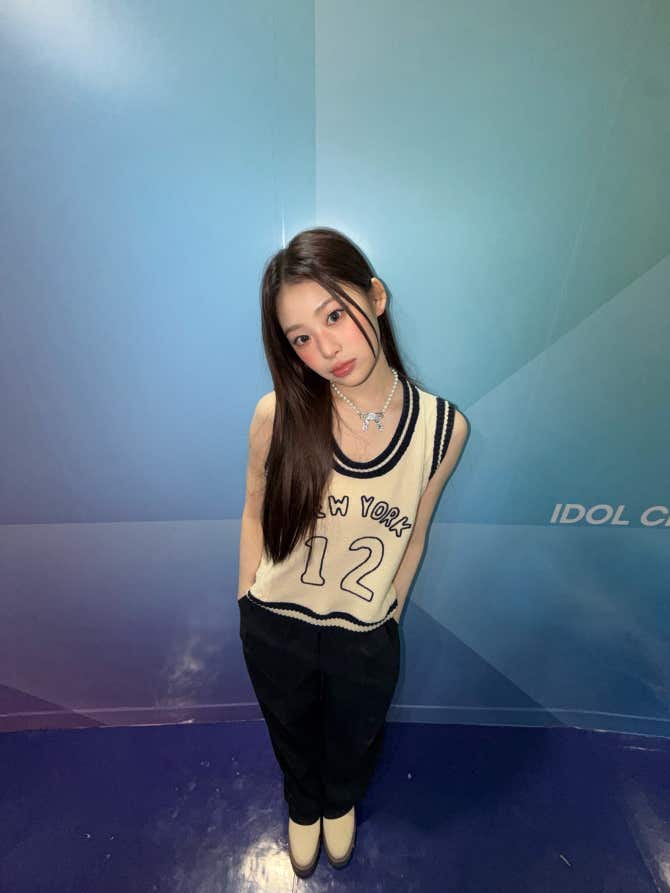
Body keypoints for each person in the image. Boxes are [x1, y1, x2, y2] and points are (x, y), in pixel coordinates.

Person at [237, 226, 468, 877]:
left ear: (376, 296)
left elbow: (415, 531)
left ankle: (339, 800)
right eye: (301, 338)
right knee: (289, 725)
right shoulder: (277, 414)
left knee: (356, 732)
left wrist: (388, 610)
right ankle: (302, 803)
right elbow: (253, 508)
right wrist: (247, 597)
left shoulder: (442, 429)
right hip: (276, 621)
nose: (326, 348)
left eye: (334, 314)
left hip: (364, 630)